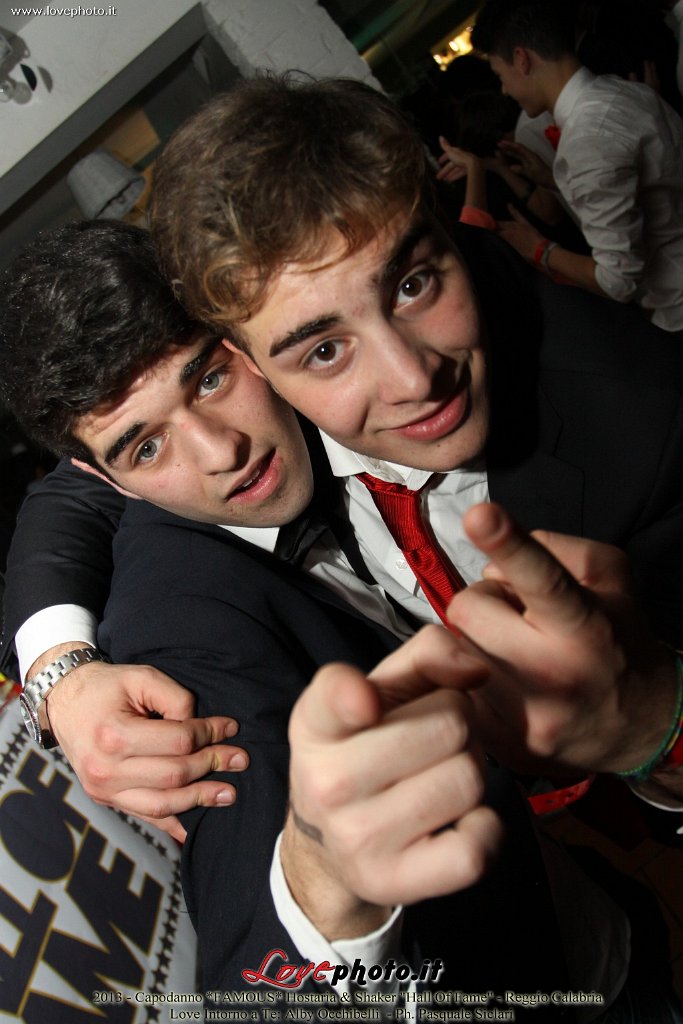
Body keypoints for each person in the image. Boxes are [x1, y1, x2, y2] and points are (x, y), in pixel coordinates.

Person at [4, 76, 683, 823]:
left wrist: (652, 726)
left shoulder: (645, 421)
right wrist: (60, 676)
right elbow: (70, 490)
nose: (414, 380)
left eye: (414, 286)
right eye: (323, 350)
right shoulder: (210, 436)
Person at [0, 219, 634, 1015]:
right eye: (146, 449)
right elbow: (257, 955)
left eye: (209, 379)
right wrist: (324, 891)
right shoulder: (180, 619)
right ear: (110, 479)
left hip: (585, 897)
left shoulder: (402, 343)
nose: (220, 451)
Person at [470, 0, 683, 333]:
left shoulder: (587, 137)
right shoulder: (619, 90)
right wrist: (553, 178)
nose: (504, 90)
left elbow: (617, 280)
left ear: (522, 59)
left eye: (500, 75)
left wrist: (539, 249)